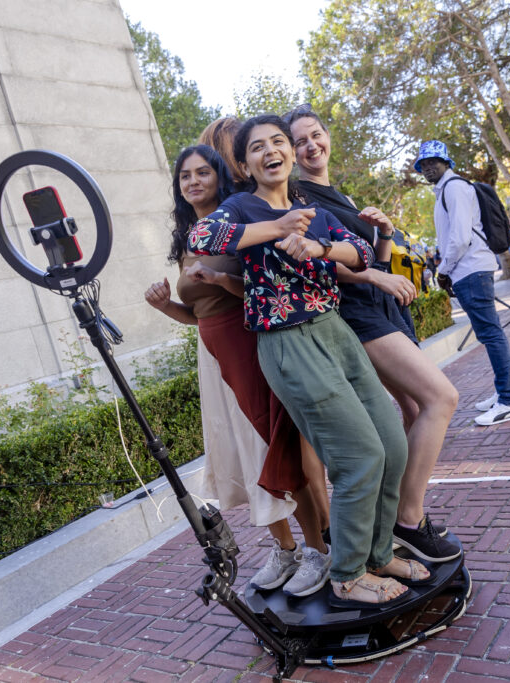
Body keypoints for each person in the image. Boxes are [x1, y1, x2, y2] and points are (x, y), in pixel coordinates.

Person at [190, 114, 426, 608]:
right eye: (257, 147)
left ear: (292, 153)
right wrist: (271, 229)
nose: (270, 150)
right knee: (359, 457)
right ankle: (347, 573)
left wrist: (318, 246)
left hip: (335, 331)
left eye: (279, 141)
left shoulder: (310, 208)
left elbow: (361, 252)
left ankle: (378, 553)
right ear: (246, 162)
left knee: (390, 444)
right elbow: (201, 242)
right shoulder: (239, 207)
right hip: (287, 341)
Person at [144, 145, 330, 598]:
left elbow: (265, 289)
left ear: (219, 177)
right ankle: (284, 550)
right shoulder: (191, 237)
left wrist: (223, 279)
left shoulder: (241, 222)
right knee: (248, 457)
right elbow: (198, 313)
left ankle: (316, 550)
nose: (193, 181)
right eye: (184, 175)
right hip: (215, 357)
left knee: (275, 446)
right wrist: (166, 304)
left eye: (202, 172)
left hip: (251, 345)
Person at [286, 107, 462, 563]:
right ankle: (409, 519)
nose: (310, 146)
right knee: (441, 399)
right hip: (360, 316)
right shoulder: (298, 198)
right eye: (299, 141)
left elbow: (375, 262)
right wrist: (373, 279)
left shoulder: (332, 193)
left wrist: (383, 233)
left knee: (410, 410)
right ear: (290, 152)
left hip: (383, 308)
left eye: (316, 135)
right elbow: (317, 264)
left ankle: (393, 522)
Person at [415, 140, 510, 426]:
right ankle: (504, 392)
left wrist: (443, 270)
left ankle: (509, 400)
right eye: (423, 164)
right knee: (490, 334)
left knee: (491, 334)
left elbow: (461, 237)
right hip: (469, 271)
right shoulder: (446, 191)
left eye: (433, 162)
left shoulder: (454, 188)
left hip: (471, 270)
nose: (428, 167)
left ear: (446, 162)